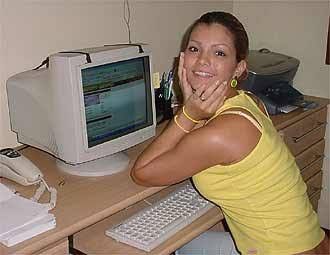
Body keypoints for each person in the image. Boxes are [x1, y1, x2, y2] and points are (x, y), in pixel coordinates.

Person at [130, 11, 329, 255]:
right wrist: (189, 108)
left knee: (168, 248)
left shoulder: (223, 132)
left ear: (239, 68)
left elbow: (142, 173)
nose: (203, 61)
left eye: (219, 52)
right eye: (194, 49)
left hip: (281, 250)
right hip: (308, 241)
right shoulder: (247, 100)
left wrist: (188, 113)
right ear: (182, 57)